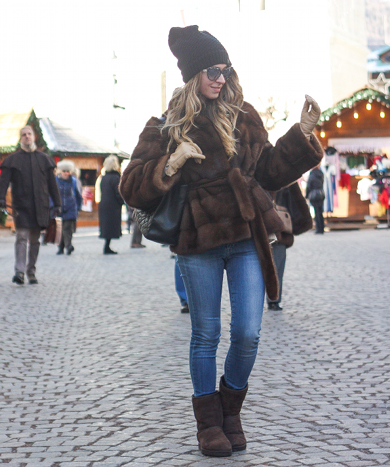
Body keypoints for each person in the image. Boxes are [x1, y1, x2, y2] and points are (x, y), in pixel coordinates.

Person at [120, 25, 323, 457]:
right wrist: (171, 163)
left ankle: (231, 411)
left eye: (226, 69)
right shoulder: (165, 126)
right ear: (193, 74)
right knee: (206, 334)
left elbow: (268, 171)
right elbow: (131, 186)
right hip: (198, 242)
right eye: (212, 70)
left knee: (248, 332)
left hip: (247, 235)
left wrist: (302, 134)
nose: (221, 78)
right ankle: (209, 424)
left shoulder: (243, 114)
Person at [0, 125, 61, 284]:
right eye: (23, 134)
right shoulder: (13, 160)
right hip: (21, 207)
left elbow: (52, 185)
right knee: (21, 237)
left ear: (34, 136)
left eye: (29, 134)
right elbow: (3, 182)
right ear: (20, 138)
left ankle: (31, 271)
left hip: (40, 206)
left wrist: (57, 204)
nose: (27, 137)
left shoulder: (44, 159)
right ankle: (19, 272)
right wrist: (0, 198)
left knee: (35, 240)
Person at [267, 184, 314, 311]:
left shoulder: (286, 179)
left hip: (277, 230)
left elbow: (297, 202)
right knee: (271, 267)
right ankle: (271, 300)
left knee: (275, 267)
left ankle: (273, 299)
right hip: (265, 229)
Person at [98, 155, 125, 255]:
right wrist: (121, 202)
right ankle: (107, 247)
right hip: (112, 206)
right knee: (111, 227)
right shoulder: (116, 178)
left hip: (104, 205)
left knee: (107, 227)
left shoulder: (104, 177)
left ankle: (107, 246)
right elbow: (118, 193)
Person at [55, 160, 83, 255]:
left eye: (68, 171)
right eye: (64, 171)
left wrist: (78, 207)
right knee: (59, 229)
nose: (66, 173)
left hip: (71, 207)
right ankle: (61, 247)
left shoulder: (74, 181)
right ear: (60, 171)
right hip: (58, 208)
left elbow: (78, 195)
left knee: (68, 228)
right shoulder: (55, 181)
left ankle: (68, 246)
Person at [305, 166, 325, 234]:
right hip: (321, 193)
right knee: (320, 211)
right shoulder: (321, 174)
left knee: (316, 212)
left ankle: (318, 229)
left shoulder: (312, 175)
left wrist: (306, 195)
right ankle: (322, 228)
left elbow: (309, 186)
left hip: (314, 194)